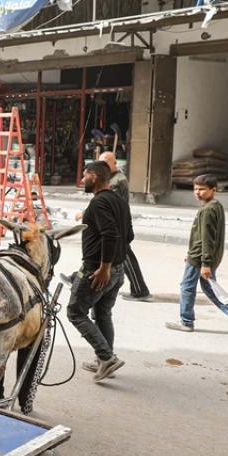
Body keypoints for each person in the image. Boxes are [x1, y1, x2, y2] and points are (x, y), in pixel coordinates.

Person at [165, 174, 228, 340]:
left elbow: (207, 238)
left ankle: (187, 321)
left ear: (214, 190)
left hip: (200, 258)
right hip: (202, 256)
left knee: (187, 288)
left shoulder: (207, 210)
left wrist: (205, 263)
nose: (198, 192)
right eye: (195, 189)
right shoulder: (215, 205)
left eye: (202, 189)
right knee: (210, 289)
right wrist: (191, 253)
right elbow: (202, 236)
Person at [68, 161, 133, 382]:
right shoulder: (119, 201)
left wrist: (104, 268)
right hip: (117, 270)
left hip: (97, 271)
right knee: (102, 313)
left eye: (84, 175)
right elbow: (129, 235)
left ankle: (106, 358)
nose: (82, 180)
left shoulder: (98, 203)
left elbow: (111, 234)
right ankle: (103, 360)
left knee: (76, 312)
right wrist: (114, 264)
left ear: (94, 177)